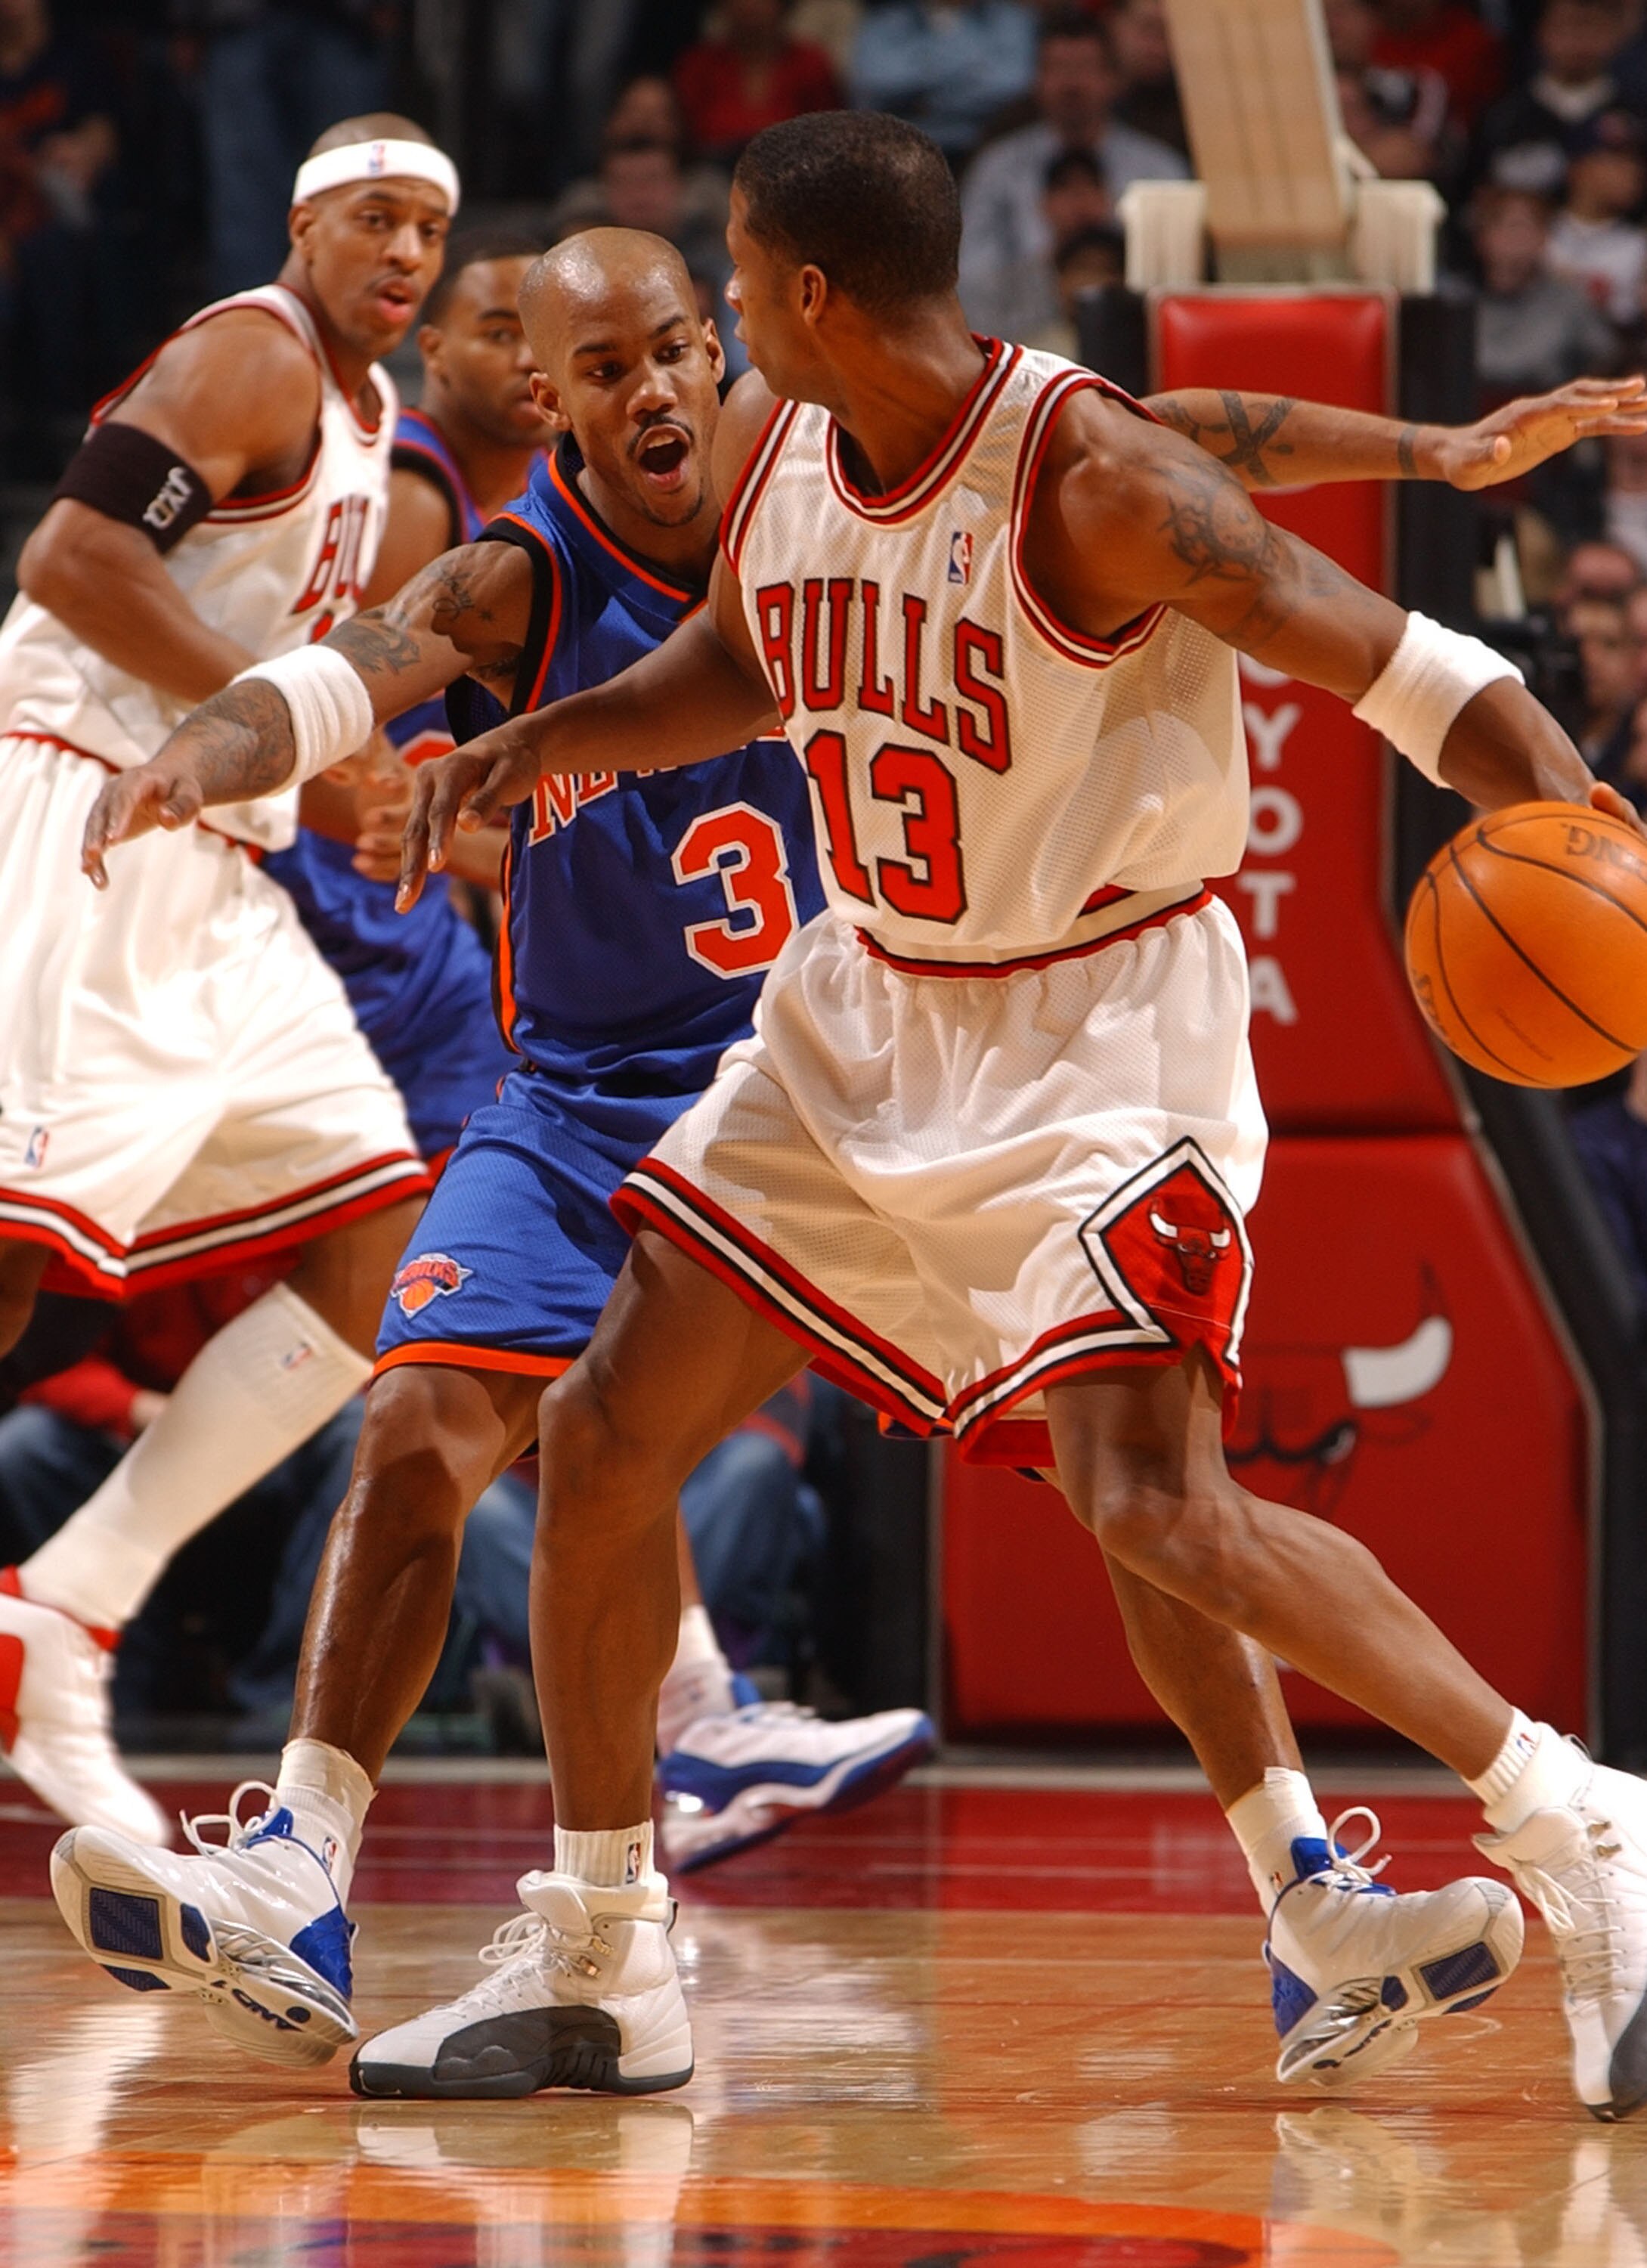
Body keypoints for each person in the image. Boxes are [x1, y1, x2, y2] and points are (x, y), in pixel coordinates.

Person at [60, 185, 1647, 2100]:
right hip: (866, 1004)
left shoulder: (1086, 478)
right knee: (608, 1429)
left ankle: (1576, 1820)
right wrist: (517, 739)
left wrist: (1579, 828)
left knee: (1146, 1500)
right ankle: (600, 1953)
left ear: (799, 298)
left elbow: (1408, 668)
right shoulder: (784, 450)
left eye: (718, 301)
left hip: (1097, 1028)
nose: (696, 350)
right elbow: (733, 662)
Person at [0, 116, 455, 1846]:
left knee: (375, 1242)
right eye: (375, 219)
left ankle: (64, 1603)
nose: (402, 253)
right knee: (12, 1264)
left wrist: (380, 792)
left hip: (224, 865)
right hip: (88, 806)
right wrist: (270, 744)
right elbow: (70, 563)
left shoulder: (374, 416)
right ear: (304, 222)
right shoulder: (250, 347)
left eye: (426, 227)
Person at [958, 11, 1186, 345]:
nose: (1072, 84)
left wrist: (1105, 241)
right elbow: (967, 286)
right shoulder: (997, 169)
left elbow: (1180, 288)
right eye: (1058, 69)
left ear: (1114, 79)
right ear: (1037, 79)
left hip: (1132, 346)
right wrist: (1053, 257)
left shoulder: (1160, 169)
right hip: (1021, 346)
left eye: (1084, 69)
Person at [849, 0, 1037, 162]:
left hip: (985, 149)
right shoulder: (886, 21)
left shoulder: (1012, 20)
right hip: (900, 150)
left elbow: (1013, 87)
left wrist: (923, 100)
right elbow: (875, 84)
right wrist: (971, 69)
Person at [673, 0, 843, 166]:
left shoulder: (810, 63)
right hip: (711, 178)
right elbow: (684, 142)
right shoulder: (698, 65)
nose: (749, 5)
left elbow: (829, 138)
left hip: (796, 177)